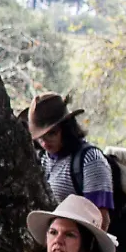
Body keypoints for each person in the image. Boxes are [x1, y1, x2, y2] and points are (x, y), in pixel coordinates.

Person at [26, 94, 115, 233]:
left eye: (51, 133)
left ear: (66, 128)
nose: (44, 142)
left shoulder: (90, 160)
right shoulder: (42, 160)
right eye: (39, 138)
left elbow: (101, 220)